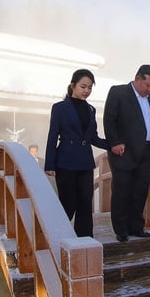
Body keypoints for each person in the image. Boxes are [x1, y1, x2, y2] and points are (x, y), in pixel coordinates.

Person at [44, 69, 108, 238]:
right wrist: (49, 164)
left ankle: (86, 240)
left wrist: (112, 145)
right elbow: (52, 136)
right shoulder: (59, 108)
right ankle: (58, 238)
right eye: (83, 86)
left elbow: (93, 138)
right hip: (66, 162)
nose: (86, 91)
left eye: (89, 88)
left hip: (86, 163)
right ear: (73, 85)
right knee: (68, 203)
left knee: (86, 203)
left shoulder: (91, 110)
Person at [103, 64, 150, 242]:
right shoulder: (118, 92)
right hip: (124, 151)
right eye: (147, 85)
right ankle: (121, 230)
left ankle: (137, 227)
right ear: (137, 79)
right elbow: (109, 120)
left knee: (140, 191)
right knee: (122, 191)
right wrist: (114, 142)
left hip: (147, 151)